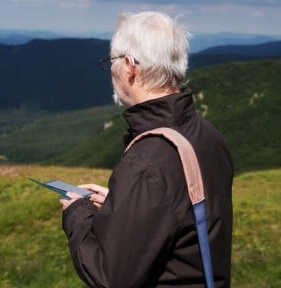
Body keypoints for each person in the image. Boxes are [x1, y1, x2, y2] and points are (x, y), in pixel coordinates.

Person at [59, 11, 233, 287]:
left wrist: (77, 212)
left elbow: (110, 276)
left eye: (112, 62)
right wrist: (125, 204)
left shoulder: (146, 161)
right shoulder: (207, 135)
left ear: (129, 66)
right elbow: (183, 214)